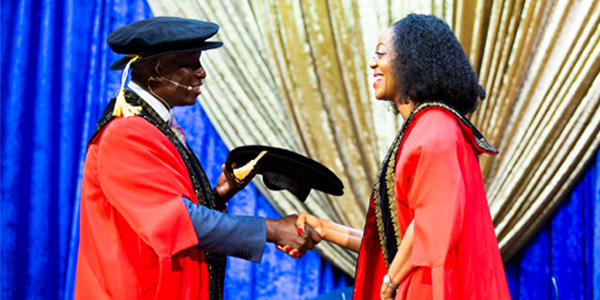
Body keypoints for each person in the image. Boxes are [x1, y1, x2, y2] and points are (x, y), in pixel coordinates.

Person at [74, 16, 320, 300]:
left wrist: (217, 197)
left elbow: (167, 209)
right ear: (156, 70)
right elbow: (175, 222)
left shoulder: (153, 125)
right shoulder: (127, 132)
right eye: (192, 64)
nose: (202, 73)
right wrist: (274, 229)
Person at [282, 14, 511, 300]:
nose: (372, 63)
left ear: (411, 60)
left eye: (381, 53)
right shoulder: (424, 128)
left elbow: (431, 226)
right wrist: (326, 230)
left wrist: (390, 283)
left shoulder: (437, 129)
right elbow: (396, 243)